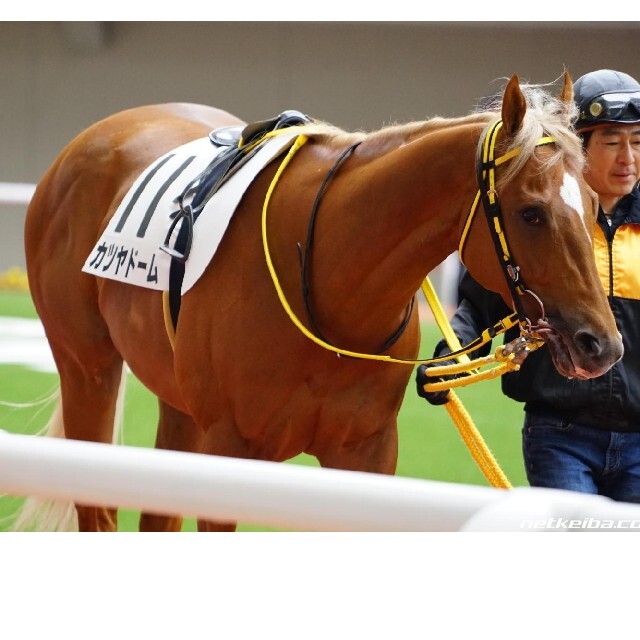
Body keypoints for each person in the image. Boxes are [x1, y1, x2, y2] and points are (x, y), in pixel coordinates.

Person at [416, 69, 640, 503]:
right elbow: (481, 310)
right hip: (560, 434)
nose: (628, 158)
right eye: (612, 143)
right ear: (576, 148)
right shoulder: (534, 222)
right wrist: (453, 358)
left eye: (638, 142)